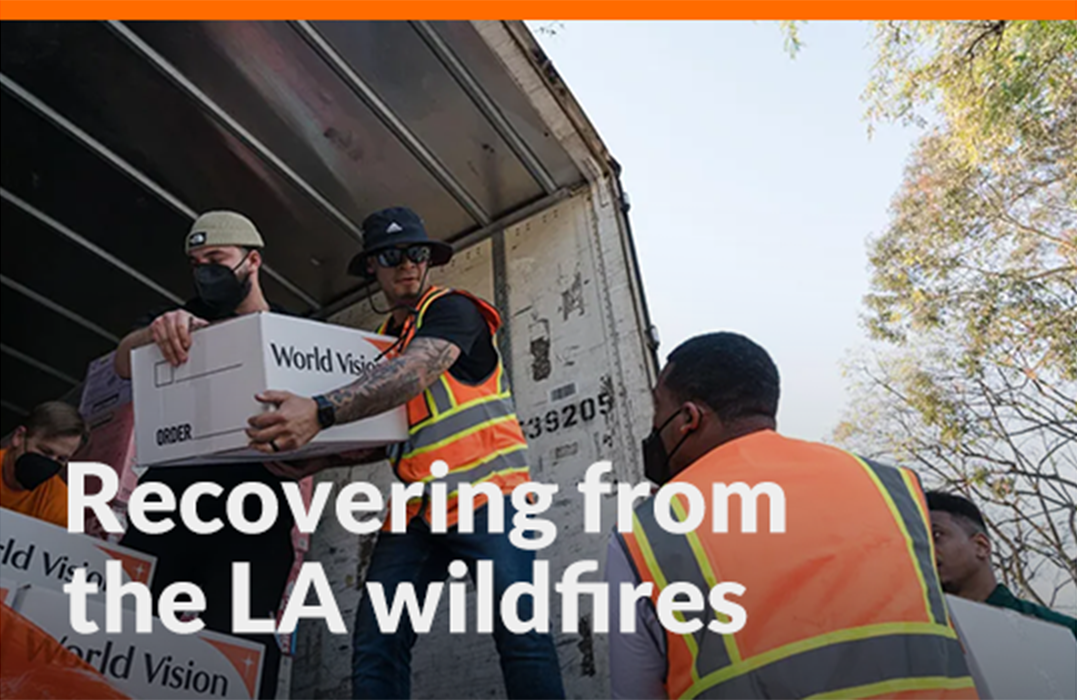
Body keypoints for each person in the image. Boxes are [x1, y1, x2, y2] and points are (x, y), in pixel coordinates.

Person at [244, 206, 565, 700]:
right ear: (372, 266)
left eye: (417, 253)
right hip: (419, 511)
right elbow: (396, 433)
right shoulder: (387, 347)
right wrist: (322, 460)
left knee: (520, 637)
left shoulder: (452, 310)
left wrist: (321, 412)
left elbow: (416, 371)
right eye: (392, 256)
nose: (408, 264)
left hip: (490, 498)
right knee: (377, 643)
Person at [605, 332, 977, 700]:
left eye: (657, 411)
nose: (654, 429)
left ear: (688, 418)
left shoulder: (646, 534)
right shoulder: (892, 487)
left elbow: (634, 691)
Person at [112, 211, 352, 699]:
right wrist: (156, 331)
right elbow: (121, 360)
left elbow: (337, 423)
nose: (205, 272)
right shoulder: (177, 321)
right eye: (196, 262)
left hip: (255, 513)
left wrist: (314, 456)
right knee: (126, 632)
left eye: (216, 259)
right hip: (166, 507)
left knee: (242, 647)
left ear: (252, 261)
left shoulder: (297, 333)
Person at [926, 490, 1077, 638]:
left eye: (936, 535)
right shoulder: (919, 639)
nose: (924, 548)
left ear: (981, 546)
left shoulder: (1064, 634)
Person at [0, 401, 88, 528]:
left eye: (61, 459)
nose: (50, 462)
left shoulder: (61, 502)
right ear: (19, 437)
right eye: (45, 452)